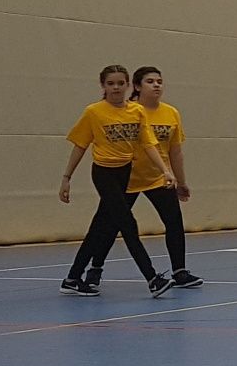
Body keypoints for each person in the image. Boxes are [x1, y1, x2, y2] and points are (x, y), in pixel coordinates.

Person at [59, 64, 174, 298]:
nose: (116, 88)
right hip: (104, 173)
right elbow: (80, 145)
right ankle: (152, 278)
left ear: (128, 85)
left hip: (124, 172)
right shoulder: (94, 112)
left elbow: (148, 143)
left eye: (121, 83)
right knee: (128, 224)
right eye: (111, 84)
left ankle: (72, 278)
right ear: (103, 85)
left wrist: (165, 170)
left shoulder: (136, 111)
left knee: (99, 226)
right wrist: (66, 178)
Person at [83, 66, 200, 290]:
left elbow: (175, 151)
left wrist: (181, 180)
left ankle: (180, 271)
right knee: (111, 225)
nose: (156, 85)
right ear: (136, 86)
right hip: (126, 178)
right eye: (150, 81)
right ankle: (95, 269)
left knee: (174, 221)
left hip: (157, 178)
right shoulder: (129, 111)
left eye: (159, 81)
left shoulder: (171, 113)